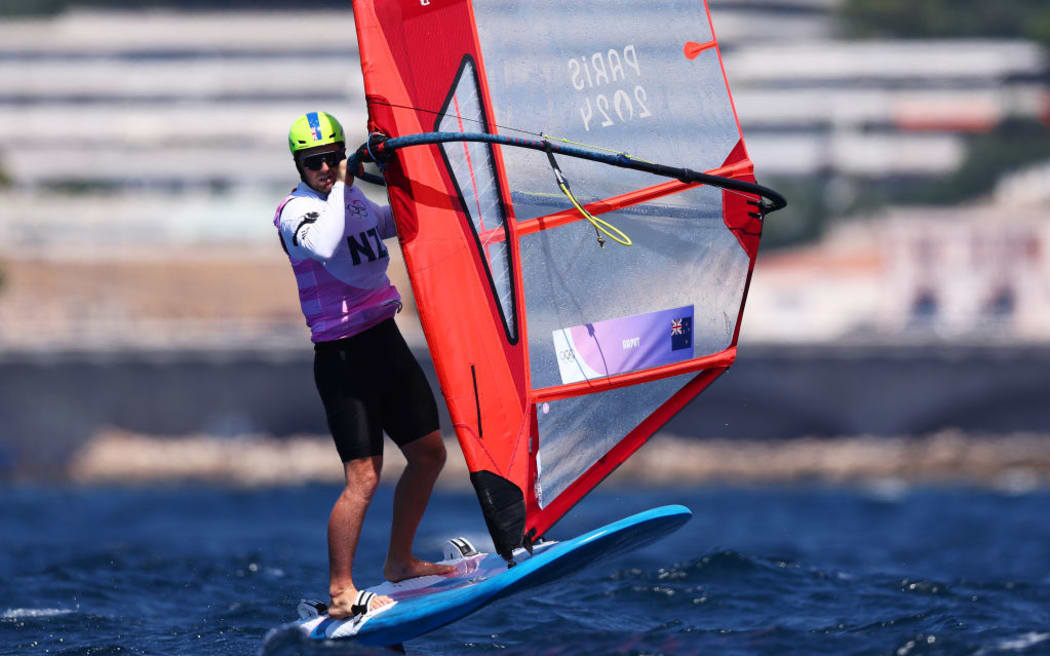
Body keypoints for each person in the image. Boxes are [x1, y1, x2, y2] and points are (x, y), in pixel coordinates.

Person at [274, 111, 454, 620]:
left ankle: (400, 561)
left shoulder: (348, 197)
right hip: (343, 358)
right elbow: (329, 244)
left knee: (429, 454)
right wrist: (348, 180)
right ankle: (340, 591)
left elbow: (391, 224)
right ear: (300, 166)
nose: (327, 169)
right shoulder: (295, 213)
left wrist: (406, 172)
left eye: (333, 158)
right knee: (364, 478)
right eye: (315, 163)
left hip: (386, 343)